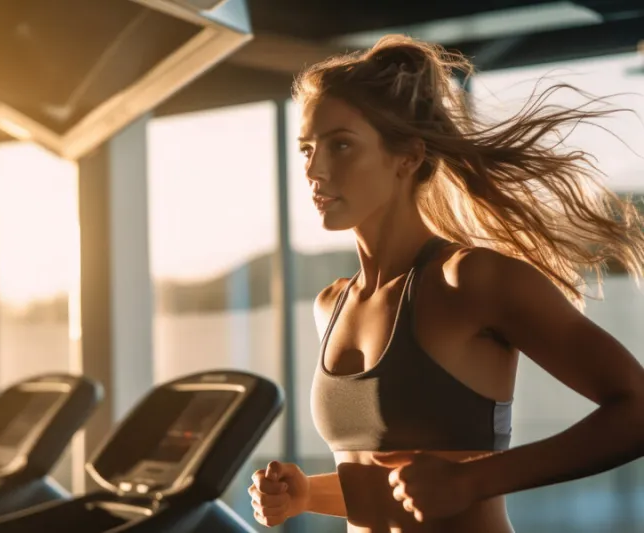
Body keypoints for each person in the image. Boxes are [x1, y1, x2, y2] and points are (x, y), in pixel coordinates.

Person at [248, 34, 644, 532]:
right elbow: (389, 490)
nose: (314, 170)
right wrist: (307, 493)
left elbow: (636, 409)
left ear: (408, 157)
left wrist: (473, 482)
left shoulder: (472, 280)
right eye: (307, 148)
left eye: (340, 145)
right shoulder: (332, 305)